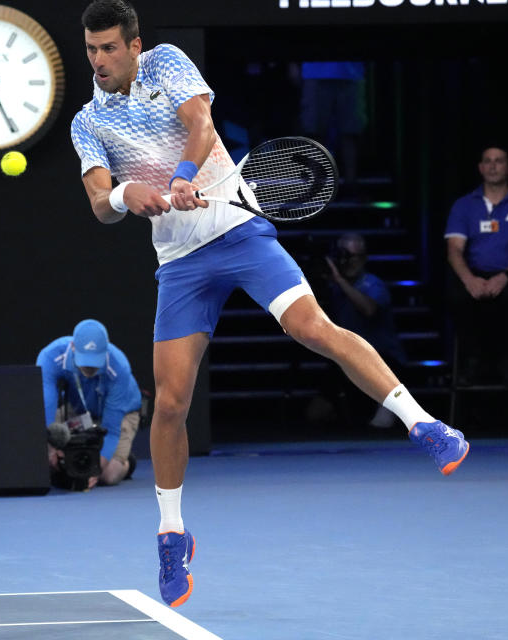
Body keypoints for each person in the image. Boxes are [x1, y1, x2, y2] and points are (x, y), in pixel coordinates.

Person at [71, 0, 469, 608]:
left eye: (109, 48)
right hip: (180, 263)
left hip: (237, 232)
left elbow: (201, 127)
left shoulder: (167, 65)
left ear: (134, 45)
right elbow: (99, 202)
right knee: (171, 402)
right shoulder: (89, 121)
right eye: (91, 49)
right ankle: (172, 533)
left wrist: (180, 176)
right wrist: (130, 192)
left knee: (313, 328)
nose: (99, 60)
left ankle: (425, 424)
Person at [444, 146, 508, 385]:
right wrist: (469, 280)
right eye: (488, 161)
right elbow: (454, 250)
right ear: (480, 168)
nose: (493, 165)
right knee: (457, 297)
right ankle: (471, 363)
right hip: (473, 272)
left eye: (499, 161)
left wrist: (504, 277)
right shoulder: (464, 205)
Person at [36, 319, 142, 491]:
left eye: (95, 360)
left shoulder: (119, 366)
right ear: (72, 347)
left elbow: (112, 429)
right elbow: (45, 413)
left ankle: (128, 462)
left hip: (123, 412)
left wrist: (95, 470)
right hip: (78, 409)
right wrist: (50, 449)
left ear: (106, 350)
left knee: (108, 475)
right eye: (85, 360)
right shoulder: (50, 356)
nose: (90, 367)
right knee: (49, 460)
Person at [323, 232, 406, 428]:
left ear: (364, 258)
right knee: (316, 413)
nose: (351, 262)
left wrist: (340, 282)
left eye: (356, 257)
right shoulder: (330, 286)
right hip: (346, 360)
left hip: (382, 360)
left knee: (379, 424)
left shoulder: (373, 284)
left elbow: (369, 309)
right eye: (346, 256)